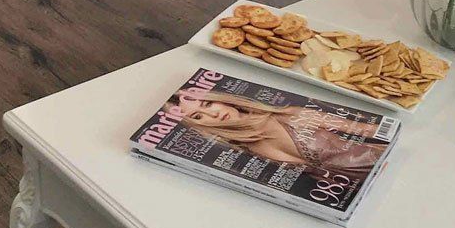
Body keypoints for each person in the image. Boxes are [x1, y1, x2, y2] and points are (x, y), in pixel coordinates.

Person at [164, 87, 385, 172]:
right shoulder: (241, 154)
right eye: (198, 116)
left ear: (220, 99)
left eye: (208, 104)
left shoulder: (286, 114)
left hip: (382, 164)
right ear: (198, 126)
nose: (213, 114)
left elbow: (367, 129)